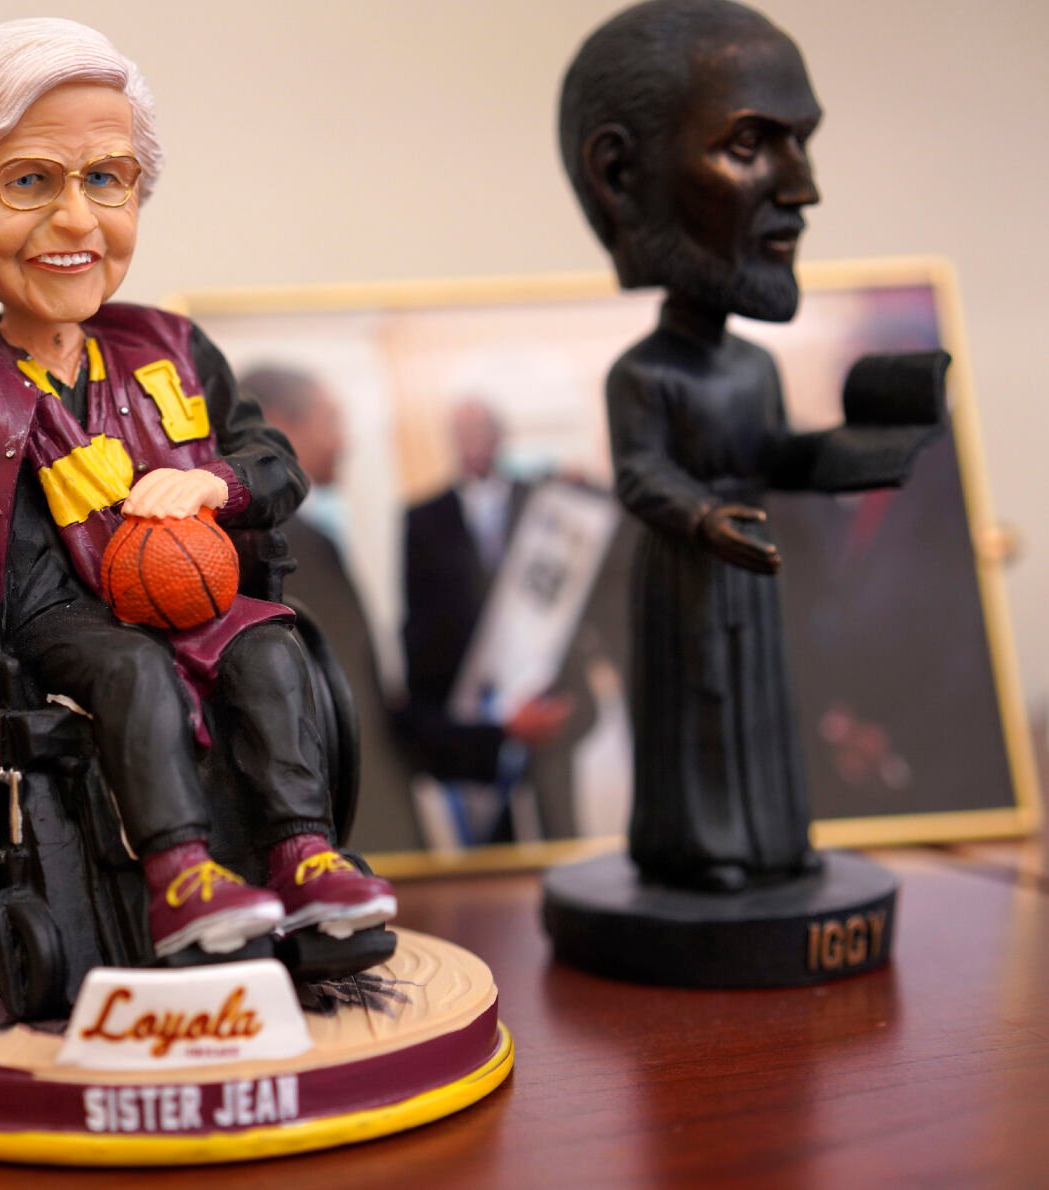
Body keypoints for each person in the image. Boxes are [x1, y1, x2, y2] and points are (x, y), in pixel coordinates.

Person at [0, 19, 393, 960]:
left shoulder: (170, 346)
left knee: (272, 651)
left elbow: (275, 461)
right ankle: (179, 877)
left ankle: (302, 856)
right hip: (41, 614)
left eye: (104, 179)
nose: (75, 220)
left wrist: (210, 486)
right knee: (131, 669)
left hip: (188, 590)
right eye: (29, 181)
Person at [558, 0, 942, 891]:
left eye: (802, 142)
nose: (801, 189)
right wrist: (703, 518)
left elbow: (778, 455)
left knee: (762, 706)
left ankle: (768, 839)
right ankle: (700, 848)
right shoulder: (644, 374)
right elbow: (638, 474)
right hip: (691, 569)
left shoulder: (753, 368)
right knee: (700, 705)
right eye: (748, 145)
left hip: (747, 569)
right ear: (621, 177)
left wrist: (872, 446)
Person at [241, 364, 423, 852]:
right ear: (278, 425)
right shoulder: (282, 548)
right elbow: (344, 703)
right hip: (351, 828)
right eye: (330, 421)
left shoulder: (303, 538)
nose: (343, 441)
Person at [400, 398, 571, 840]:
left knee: (557, 813)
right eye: (463, 434)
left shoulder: (543, 501)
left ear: (499, 437)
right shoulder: (422, 517)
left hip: (539, 680)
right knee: (488, 824)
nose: (472, 443)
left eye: (480, 432)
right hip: (468, 687)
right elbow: (416, 613)